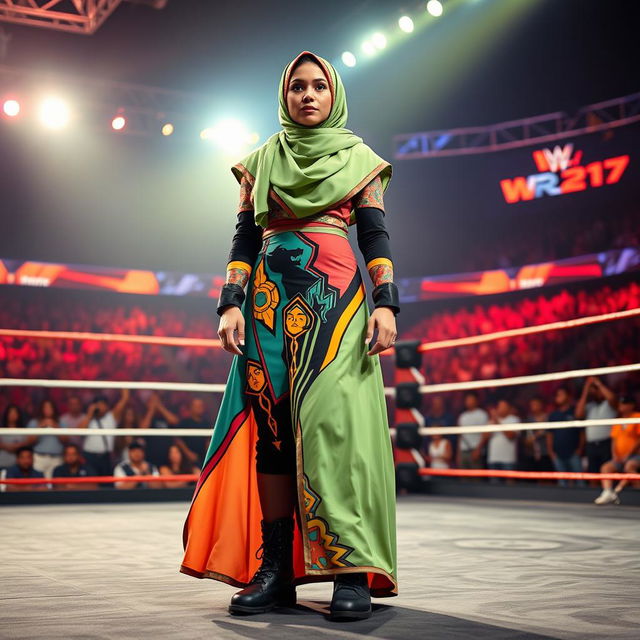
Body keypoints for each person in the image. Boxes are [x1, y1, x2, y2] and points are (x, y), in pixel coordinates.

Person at [181, 51, 398, 621]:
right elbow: (244, 241)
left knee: (334, 431)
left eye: (318, 86)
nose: (307, 95)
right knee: (271, 436)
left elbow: (374, 236)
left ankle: (348, 570)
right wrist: (230, 304)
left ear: (334, 95)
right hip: (266, 310)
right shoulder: (260, 162)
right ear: (285, 97)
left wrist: (388, 304)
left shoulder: (360, 160)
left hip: (339, 309)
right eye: (297, 87)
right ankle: (276, 571)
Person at [594, 395, 640, 505]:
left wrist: (629, 454)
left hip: (636, 455)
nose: (621, 406)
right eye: (620, 404)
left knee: (629, 467)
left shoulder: (637, 417)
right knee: (606, 468)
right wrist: (614, 455)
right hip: (619, 456)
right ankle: (608, 493)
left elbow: (639, 439)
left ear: (631, 405)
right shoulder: (618, 421)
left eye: (624, 404)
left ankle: (619, 491)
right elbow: (614, 440)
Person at [77, 389, 129, 476]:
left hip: (105, 457)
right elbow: (79, 432)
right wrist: (89, 414)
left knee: (106, 484)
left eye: (102, 404)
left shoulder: (112, 417)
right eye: (97, 404)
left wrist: (123, 383)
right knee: (90, 482)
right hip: (89, 457)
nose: (99, 406)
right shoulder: (87, 418)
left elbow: (124, 399)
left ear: (107, 406)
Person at [575, 376, 617, 475]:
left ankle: (608, 490)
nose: (595, 392)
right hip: (591, 445)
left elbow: (612, 398)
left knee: (607, 473)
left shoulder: (609, 404)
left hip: (606, 444)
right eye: (593, 390)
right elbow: (578, 414)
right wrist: (586, 389)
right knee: (592, 473)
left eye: (596, 390)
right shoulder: (589, 406)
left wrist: (598, 384)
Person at [546, 386, 585, 487]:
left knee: (579, 480)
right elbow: (549, 434)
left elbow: (581, 433)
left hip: (573, 452)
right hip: (558, 453)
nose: (558, 397)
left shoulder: (574, 412)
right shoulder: (553, 415)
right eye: (557, 395)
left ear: (568, 396)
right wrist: (551, 452)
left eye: (561, 394)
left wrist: (580, 449)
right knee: (562, 482)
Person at [479, 399, 519, 484]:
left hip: (508, 460)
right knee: (494, 487)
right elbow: (484, 437)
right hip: (493, 459)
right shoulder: (492, 421)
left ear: (509, 408)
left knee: (510, 486)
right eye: (499, 406)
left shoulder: (514, 419)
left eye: (503, 406)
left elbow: (511, 436)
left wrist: (497, 422)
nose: (500, 408)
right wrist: (493, 422)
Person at [28, 399, 67, 478]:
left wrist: (56, 427)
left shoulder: (61, 422)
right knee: (38, 482)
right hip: (39, 458)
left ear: (54, 409)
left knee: (54, 483)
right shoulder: (34, 422)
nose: (48, 410)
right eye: (45, 407)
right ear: (41, 409)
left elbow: (65, 440)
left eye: (50, 407)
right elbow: (30, 441)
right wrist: (40, 427)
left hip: (56, 458)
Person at [456, 391, 489, 470]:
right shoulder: (462, 416)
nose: (469, 402)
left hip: (476, 450)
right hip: (464, 451)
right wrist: (458, 454)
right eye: (467, 400)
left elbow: (485, 434)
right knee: (463, 478)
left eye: (471, 399)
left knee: (476, 479)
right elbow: (460, 436)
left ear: (476, 400)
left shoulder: (482, 414)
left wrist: (478, 450)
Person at [175, 397, 210, 466]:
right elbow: (177, 439)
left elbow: (208, 441)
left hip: (203, 458)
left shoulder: (206, 423)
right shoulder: (185, 422)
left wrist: (209, 454)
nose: (199, 408)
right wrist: (188, 453)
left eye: (201, 405)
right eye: (197, 406)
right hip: (187, 460)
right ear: (191, 407)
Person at [0, 404, 34, 471]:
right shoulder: (1, 430)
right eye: (11, 413)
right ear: (7, 414)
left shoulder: (23, 431)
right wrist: (7, 447)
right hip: (2, 462)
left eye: (15, 413)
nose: (13, 415)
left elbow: (28, 442)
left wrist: (17, 446)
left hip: (19, 467)